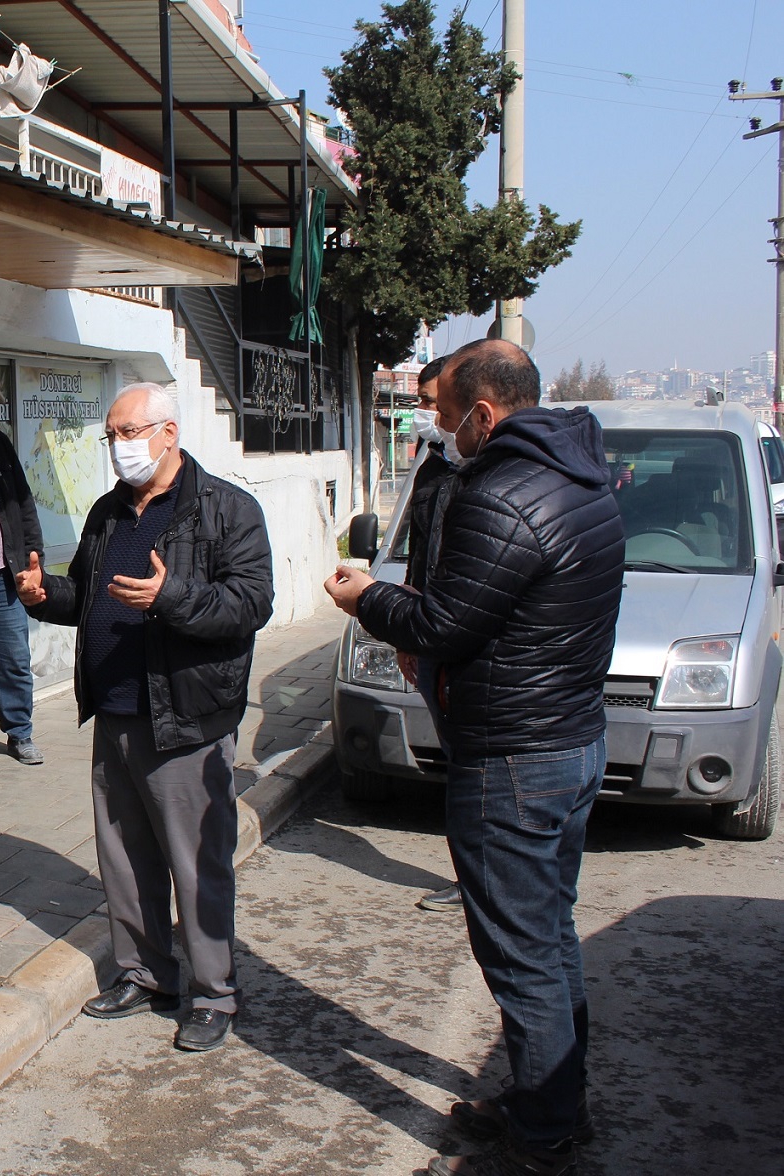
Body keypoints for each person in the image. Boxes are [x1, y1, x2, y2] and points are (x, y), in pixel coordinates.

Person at [325, 339, 624, 1176]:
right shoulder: (581, 475)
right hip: (567, 742)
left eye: (447, 414)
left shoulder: (503, 493)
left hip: (513, 759)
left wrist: (366, 599)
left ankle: (548, 1129)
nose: (442, 429)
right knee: (549, 937)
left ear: (485, 415)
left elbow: (441, 626)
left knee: (521, 952)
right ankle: (548, 1100)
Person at [16, 382, 273, 1055]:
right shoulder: (108, 512)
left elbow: (248, 606)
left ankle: (213, 993)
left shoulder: (226, 509)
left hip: (185, 717)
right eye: (111, 435)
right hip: (115, 712)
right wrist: (46, 596)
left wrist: (170, 596)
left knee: (195, 866)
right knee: (124, 860)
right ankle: (144, 974)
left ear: (167, 433)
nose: (118, 447)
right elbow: (89, 597)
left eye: (128, 432)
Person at [404, 354, 466, 915]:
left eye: (434, 405)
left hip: (467, 645)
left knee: (476, 771)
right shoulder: (434, 465)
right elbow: (420, 553)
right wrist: (402, 628)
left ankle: (483, 880)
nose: (425, 414)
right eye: (424, 403)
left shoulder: (486, 473)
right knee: (458, 763)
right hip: (429, 637)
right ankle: (469, 874)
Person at [0, 411, 47, 765]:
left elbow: (24, 504)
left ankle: (20, 733)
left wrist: (35, 560)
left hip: (4, 575)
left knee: (14, 660)